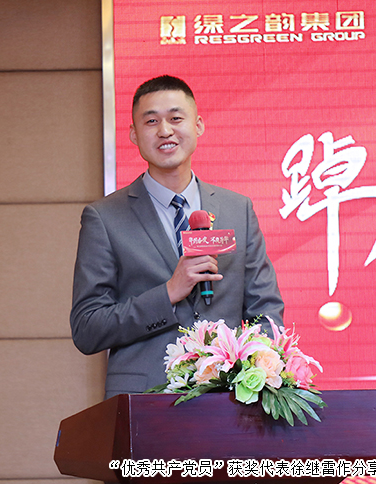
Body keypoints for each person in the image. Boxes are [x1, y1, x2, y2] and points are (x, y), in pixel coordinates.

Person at [70, 75, 284, 398]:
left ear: (198, 126)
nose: (165, 131)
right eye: (151, 121)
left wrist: (254, 371)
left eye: (175, 118)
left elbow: (265, 310)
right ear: (133, 134)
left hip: (228, 403)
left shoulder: (237, 209)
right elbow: (87, 328)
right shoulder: (105, 218)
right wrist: (168, 293)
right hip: (143, 402)